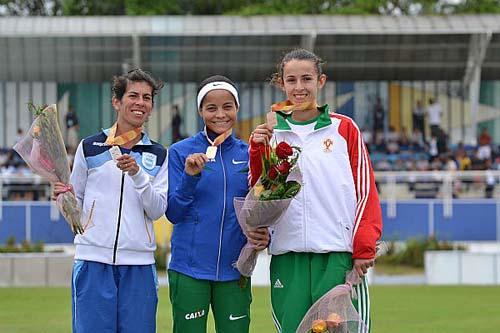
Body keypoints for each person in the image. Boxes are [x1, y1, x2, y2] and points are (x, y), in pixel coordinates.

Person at [249, 49, 382, 333]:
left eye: (307, 78)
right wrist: (257, 150)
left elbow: (365, 191)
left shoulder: (343, 128)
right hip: (288, 257)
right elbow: (259, 195)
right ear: (281, 84)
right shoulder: (271, 134)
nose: (299, 87)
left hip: (336, 255)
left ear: (321, 81)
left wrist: (364, 246)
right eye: (292, 80)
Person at [52, 69, 168, 333]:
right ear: (116, 101)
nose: (140, 102)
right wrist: (62, 198)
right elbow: (76, 204)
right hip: (93, 261)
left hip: (138, 265)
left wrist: (138, 175)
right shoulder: (89, 147)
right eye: (133, 95)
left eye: (147, 98)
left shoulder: (159, 154)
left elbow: (157, 209)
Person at [166, 75, 270, 333]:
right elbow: (174, 213)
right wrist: (190, 178)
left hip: (235, 270)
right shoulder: (180, 152)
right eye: (211, 108)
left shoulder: (249, 153)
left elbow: (263, 207)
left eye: (227, 106)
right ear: (201, 110)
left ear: (236, 109)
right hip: (189, 270)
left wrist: (265, 232)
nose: (220, 114)